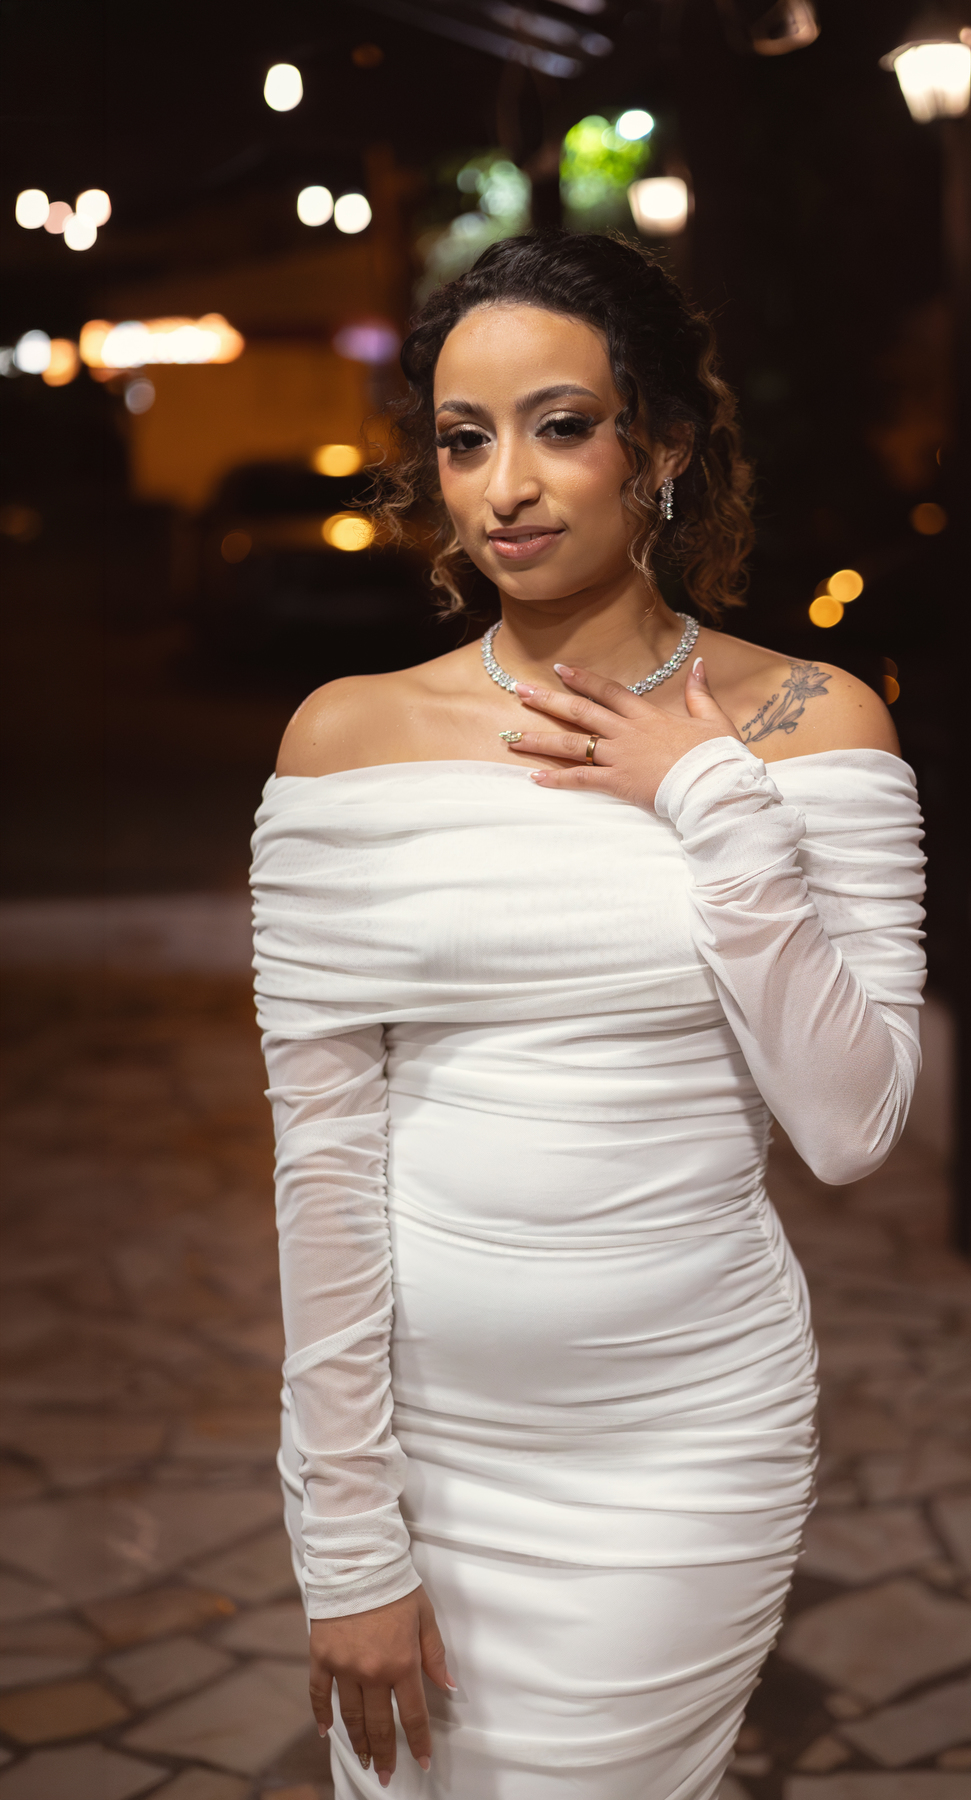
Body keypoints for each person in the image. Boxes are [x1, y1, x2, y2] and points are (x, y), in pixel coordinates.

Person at [251, 228, 925, 1799]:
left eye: (561, 427)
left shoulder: (814, 727)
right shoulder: (343, 745)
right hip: (429, 1445)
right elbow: (323, 1169)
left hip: (687, 1447)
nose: (508, 487)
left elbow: (851, 1127)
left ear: (664, 445)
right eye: (464, 439)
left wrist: (708, 796)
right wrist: (345, 1536)